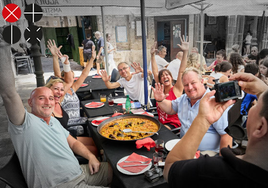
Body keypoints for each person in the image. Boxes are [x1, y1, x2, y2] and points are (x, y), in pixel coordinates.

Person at [0, 41, 112, 187]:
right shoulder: (24, 124)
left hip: (81, 172)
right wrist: (3, 45)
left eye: (51, 98)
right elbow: (9, 93)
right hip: (63, 184)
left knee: (116, 170)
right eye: (41, 98)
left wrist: (91, 157)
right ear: (30, 102)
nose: (48, 102)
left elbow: (73, 143)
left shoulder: (53, 122)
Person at [163, 72, 268, 187]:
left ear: (261, 127)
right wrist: (262, 91)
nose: (189, 87)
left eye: (256, 105)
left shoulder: (209, 170)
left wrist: (204, 119)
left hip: (202, 156)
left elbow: (170, 168)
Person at [152, 67, 232, 152]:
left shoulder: (214, 102)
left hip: (206, 155)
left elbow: (226, 136)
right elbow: (171, 107)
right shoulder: (184, 98)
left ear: (202, 81)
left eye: (193, 83)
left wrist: (222, 162)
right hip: (183, 148)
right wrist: (160, 100)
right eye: (186, 85)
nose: (190, 87)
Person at [47, 39, 95, 126]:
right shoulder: (62, 92)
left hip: (80, 121)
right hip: (71, 126)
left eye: (73, 77)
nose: (72, 79)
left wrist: (92, 59)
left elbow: (84, 74)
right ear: (62, 77)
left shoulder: (72, 89)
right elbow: (57, 74)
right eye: (70, 76)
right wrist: (55, 57)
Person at [151, 35, 189, 130]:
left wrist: (185, 52)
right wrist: (152, 55)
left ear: (172, 78)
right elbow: (155, 72)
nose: (165, 77)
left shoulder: (176, 89)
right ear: (160, 80)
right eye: (162, 76)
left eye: (167, 75)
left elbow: (181, 71)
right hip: (160, 124)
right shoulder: (160, 89)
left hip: (173, 125)